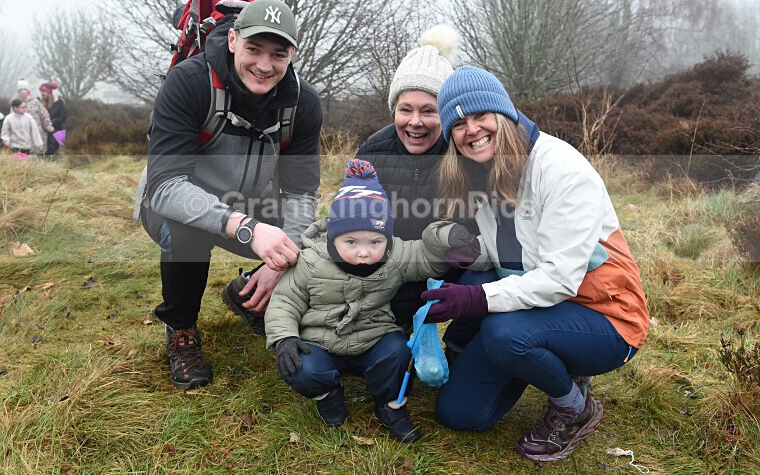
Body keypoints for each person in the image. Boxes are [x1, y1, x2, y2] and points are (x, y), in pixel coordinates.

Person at [421, 66, 649, 461]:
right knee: (460, 413)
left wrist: (476, 300)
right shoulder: (481, 171)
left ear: (504, 115)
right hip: (538, 310)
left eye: (480, 116)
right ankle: (541, 358)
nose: (471, 130)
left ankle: (573, 407)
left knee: (502, 332)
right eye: (457, 124)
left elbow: (559, 278)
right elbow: (506, 251)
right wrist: (457, 259)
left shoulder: (561, 168)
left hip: (606, 317)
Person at [141, 0, 322, 390]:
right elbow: (165, 186)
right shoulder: (189, 82)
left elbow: (302, 193)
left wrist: (282, 260)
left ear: (292, 54)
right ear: (233, 40)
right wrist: (246, 228)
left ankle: (248, 295)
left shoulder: (303, 104)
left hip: (251, 205)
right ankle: (182, 329)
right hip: (173, 200)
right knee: (186, 232)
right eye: (254, 49)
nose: (264, 64)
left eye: (278, 53)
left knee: (317, 236)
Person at [265, 159, 473, 443]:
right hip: (320, 341)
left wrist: (446, 235)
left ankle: (389, 404)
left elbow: (426, 256)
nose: (364, 252)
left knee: (399, 353)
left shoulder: (394, 256)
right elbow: (285, 301)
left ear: (386, 238)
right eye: (351, 242)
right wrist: (285, 337)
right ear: (334, 237)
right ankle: (327, 394)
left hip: (375, 338)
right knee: (301, 367)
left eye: (375, 242)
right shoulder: (311, 260)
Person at [355, 25, 474, 335]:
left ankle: (463, 343)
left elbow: (474, 240)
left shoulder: (464, 155)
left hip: (448, 276)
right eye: (405, 109)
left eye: (428, 111)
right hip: (384, 274)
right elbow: (353, 227)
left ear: (446, 114)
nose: (415, 122)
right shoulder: (372, 152)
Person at [16, 79, 54, 157]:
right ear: (18, 92)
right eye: (21, 89)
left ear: (28, 91)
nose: (23, 91)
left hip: (37, 132)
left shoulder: (35, 102)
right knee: (23, 156)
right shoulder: (15, 104)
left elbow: (44, 114)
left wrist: (48, 125)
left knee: (39, 155)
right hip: (22, 133)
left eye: (25, 89)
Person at [39, 81, 67, 157]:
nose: (42, 93)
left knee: (53, 150)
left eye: (44, 91)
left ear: (49, 92)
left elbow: (63, 117)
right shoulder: (39, 103)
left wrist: (51, 123)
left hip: (56, 132)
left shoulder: (59, 103)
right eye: (41, 91)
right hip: (43, 132)